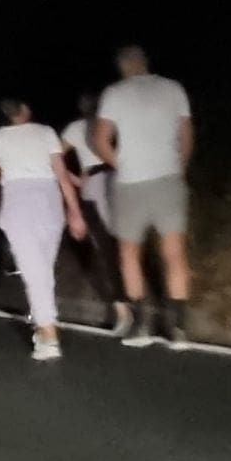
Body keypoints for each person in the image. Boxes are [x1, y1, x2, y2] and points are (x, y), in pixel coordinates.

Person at [93, 45, 195, 349]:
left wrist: (120, 163)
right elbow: (186, 135)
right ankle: (178, 328)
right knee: (175, 253)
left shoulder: (114, 93)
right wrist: (178, 167)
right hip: (168, 179)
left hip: (130, 183)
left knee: (129, 254)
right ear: (145, 62)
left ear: (122, 67)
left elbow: (100, 140)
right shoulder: (173, 89)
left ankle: (141, 326)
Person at [0, 99, 87, 361]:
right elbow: (62, 175)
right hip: (49, 201)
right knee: (42, 271)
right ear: (25, 109)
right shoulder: (46, 132)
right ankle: (44, 326)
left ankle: (49, 336)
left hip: (18, 203)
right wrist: (75, 212)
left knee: (36, 272)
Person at [62, 92, 132, 334]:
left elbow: (54, 158)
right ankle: (131, 307)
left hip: (95, 184)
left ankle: (123, 312)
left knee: (108, 249)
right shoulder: (113, 123)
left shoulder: (76, 127)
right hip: (117, 179)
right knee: (125, 246)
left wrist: (74, 179)